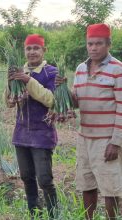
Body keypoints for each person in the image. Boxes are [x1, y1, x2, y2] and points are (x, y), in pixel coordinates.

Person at [72, 23, 122, 220]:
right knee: (87, 184)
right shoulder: (80, 69)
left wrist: (115, 142)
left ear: (108, 44)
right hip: (84, 137)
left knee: (110, 188)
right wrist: (63, 93)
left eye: (98, 43)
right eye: (90, 44)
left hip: (106, 140)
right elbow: (76, 101)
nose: (93, 48)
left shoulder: (117, 69)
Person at [5, 34, 58, 218]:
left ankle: (53, 214)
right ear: (24, 51)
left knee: (44, 179)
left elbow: (52, 100)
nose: (32, 52)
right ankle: (34, 213)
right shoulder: (19, 71)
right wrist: (11, 84)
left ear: (44, 50)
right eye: (29, 48)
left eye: (36, 48)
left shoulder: (51, 72)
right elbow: (9, 102)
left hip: (43, 134)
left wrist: (28, 81)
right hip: (21, 133)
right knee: (27, 177)